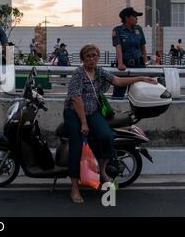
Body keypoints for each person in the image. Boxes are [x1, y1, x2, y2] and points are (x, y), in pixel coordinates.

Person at [64, 44, 157, 203]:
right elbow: (76, 98)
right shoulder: (78, 74)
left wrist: (141, 78)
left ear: (98, 57)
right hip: (74, 113)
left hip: (92, 112)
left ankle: (102, 169)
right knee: (76, 147)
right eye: (88, 56)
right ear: (83, 59)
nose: (92, 59)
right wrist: (84, 124)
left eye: (94, 55)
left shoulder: (99, 72)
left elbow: (118, 81)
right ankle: (74, 187)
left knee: (107, 136)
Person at [112, 7, 147, 98]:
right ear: (127, 18)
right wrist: (120, 64)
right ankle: (117, 111)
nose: (137, 18)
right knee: (118, 95)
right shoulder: (117, 30)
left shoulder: (138, 29)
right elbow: (118, 47)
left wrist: (145, 60)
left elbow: (142, 46)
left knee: (138, 94)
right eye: (134, 16)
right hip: (124, 66)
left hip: (139, 66)